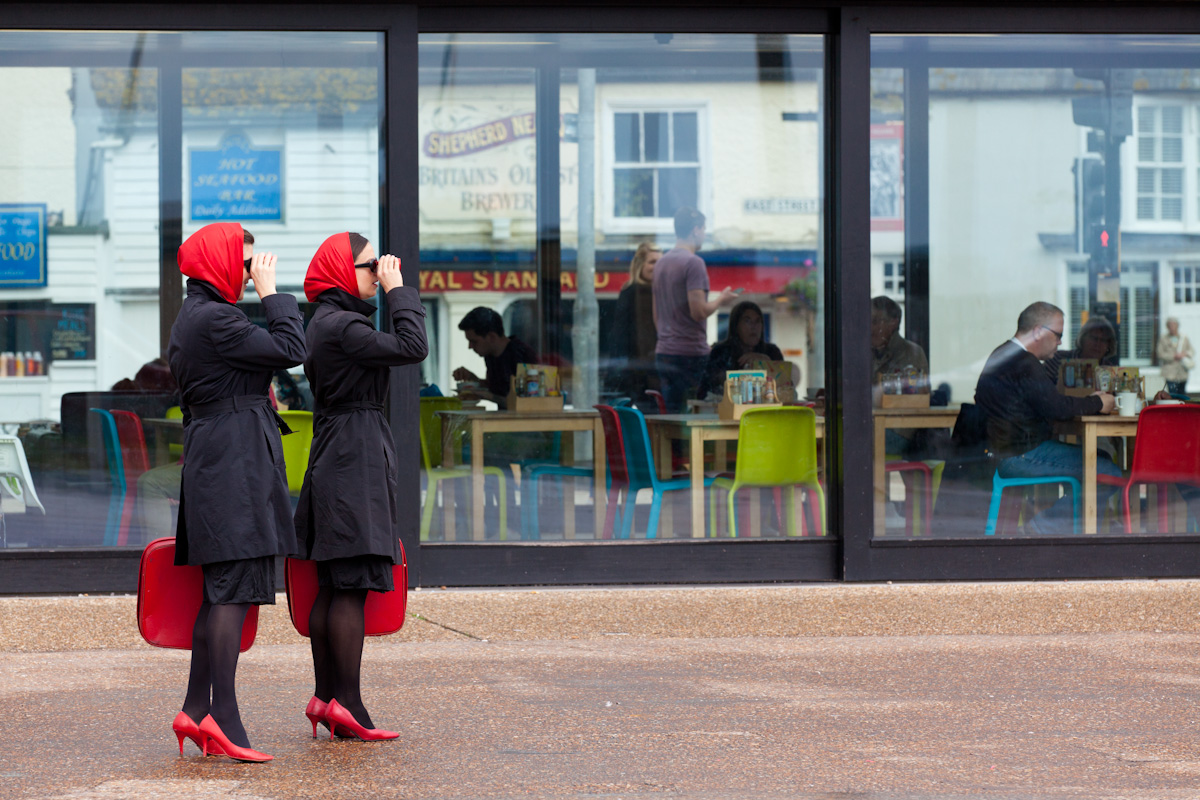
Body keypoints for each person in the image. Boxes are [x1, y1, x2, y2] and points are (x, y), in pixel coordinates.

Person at [167, 222, 306, 762]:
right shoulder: (218, 318)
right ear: (219, 262)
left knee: (222, 591)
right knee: (233, 591)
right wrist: (273, 294)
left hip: (221, 457)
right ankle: (221, 717)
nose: (252, 273)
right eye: (245, 263)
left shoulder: (196, 314)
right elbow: (291, 347)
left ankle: (194, 707)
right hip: (234, 463)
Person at [293, 232, 427, 742]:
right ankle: (347, 705)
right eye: (370, 265)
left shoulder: (325, 321)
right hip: (354, 456)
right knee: (349, 585)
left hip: (337, 451)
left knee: (334, 583)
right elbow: (414, 347)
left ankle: (326, 696)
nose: (378, 271)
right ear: (340, 271)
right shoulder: (345, 326)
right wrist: (399, 292)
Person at [974, 301, 1118, 536]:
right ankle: (1040, 529)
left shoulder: (1005, 354)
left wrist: (1089, 401)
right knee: (1107, 472)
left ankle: (1069, 532)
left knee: (1099, 458)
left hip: (1004, 451)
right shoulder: (1023, 362)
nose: (1060, 342)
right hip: (1019, 455)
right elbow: (1056, 407)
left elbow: (1050, 402)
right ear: (1038, 332)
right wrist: (1099, 403)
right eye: (1058, 335)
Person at [652, 206, 736, 413]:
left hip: (664, 352)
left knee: (672, 416)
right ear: (696, 230)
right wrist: (721, 299)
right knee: (696, 415)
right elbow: (698, 312)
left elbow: (656, 315)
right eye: (704, 229)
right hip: (690, 354)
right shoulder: (693, 263)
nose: (704, 234)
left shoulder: (661, 264)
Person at [871, 296, 929, 455]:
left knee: (844, 439)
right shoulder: (869, 352)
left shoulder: (911, 353)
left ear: (893, 323)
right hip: (875, 426)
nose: (870, 327)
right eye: (867, 321)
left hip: (898, 431)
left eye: (875, 321)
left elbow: (911, 397)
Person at [452, 306, 536, 409]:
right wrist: (474, 380)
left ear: (491, 337)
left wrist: (488, 396)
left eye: (474, 341)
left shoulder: (521, 355)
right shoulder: (490, 355)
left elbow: (525, 404)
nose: (470, 346)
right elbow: (497, 388)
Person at [699, 300, 785, 399]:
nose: (753, 326)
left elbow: (786, 389)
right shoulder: (721, 352)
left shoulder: (772, 352)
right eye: (747, 321)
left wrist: (768, 364)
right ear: (736, 326)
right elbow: (704, 391)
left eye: (758, 321)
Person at [608, 243, 661, 401]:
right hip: (637, 371)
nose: (657, 266)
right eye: (652, 262)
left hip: (659, 367)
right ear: (640, 265)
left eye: (660, 262)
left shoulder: (664, 291)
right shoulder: (631, 292)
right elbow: (620, 333)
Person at [1043, 315, 1118, 384]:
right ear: (1083, 338)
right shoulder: (1058, 359)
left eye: (1103, 340)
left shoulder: (1111, 371)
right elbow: (1041, 389)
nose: (1098, 344)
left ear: (1109, 345)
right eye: (1094, 338)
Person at [1157, 316, 1193, 395]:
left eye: (1174, 325)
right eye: (1170, 325)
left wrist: (1184, 354)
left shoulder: (1184, 338)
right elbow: (1160, 354)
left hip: (1182, 372)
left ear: (1177, 326)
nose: (1172, 327)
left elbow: (1191, 351)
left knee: (1182, 394)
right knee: (1172, 394)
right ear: (1167, 327)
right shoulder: (1163, 338)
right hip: (1170, 372)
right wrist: (1173, 356)